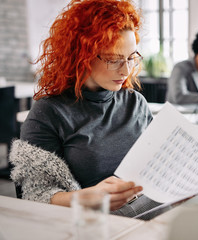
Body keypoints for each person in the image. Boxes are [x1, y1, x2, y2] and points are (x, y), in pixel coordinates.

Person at [9, 0, 162, 218]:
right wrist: (86, 198)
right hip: (95, 224)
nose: (127, 70)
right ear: (82, 56)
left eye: (131, 58)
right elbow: (33, 194)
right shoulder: (49, 113)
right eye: (114, 60)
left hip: (150, 213)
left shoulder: (135, 102)